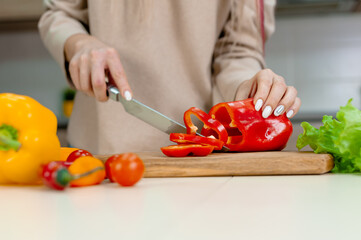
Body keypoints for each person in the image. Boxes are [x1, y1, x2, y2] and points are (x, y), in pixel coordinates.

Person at [38, 0, 301, 154]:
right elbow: (60, 14)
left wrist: (246, 87)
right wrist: (79, 44)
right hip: (97, 153)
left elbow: (237, 48)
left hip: (195, 160)